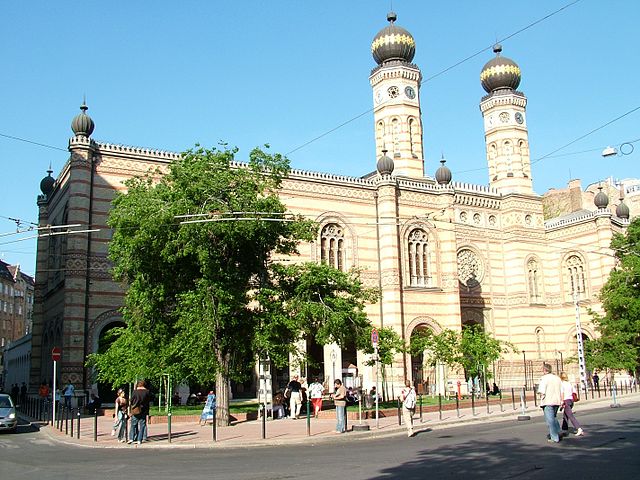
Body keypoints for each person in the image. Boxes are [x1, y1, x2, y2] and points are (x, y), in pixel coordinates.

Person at [538, 363, 563, 443]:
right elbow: (561, 390)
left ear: (545, 370)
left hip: (548, 401)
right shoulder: (557, 378)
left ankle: (554, 437)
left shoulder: (544, 378)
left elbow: (542, 390)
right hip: (556, 401)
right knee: (554, 417)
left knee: (550, 420)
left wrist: (541, 396)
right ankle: (558, 431)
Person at [560, 372, 584, 436]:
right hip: (571, 400)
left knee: (570, 416)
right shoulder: (569, 384)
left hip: (566, 401)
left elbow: (562, 393)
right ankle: (564, 430)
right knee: (565, 416)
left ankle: (579, 428)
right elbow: (574, 392)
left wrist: (562, 401)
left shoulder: (562, 384)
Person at [128, 380, 150, 445]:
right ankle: (139, 440)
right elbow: (148, 402)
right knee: (142, 425)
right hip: (144, 410)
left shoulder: (135, 392)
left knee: (133, 424)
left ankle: (131, 438)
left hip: (136, 410)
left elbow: (131, 401)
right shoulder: (147, 392)